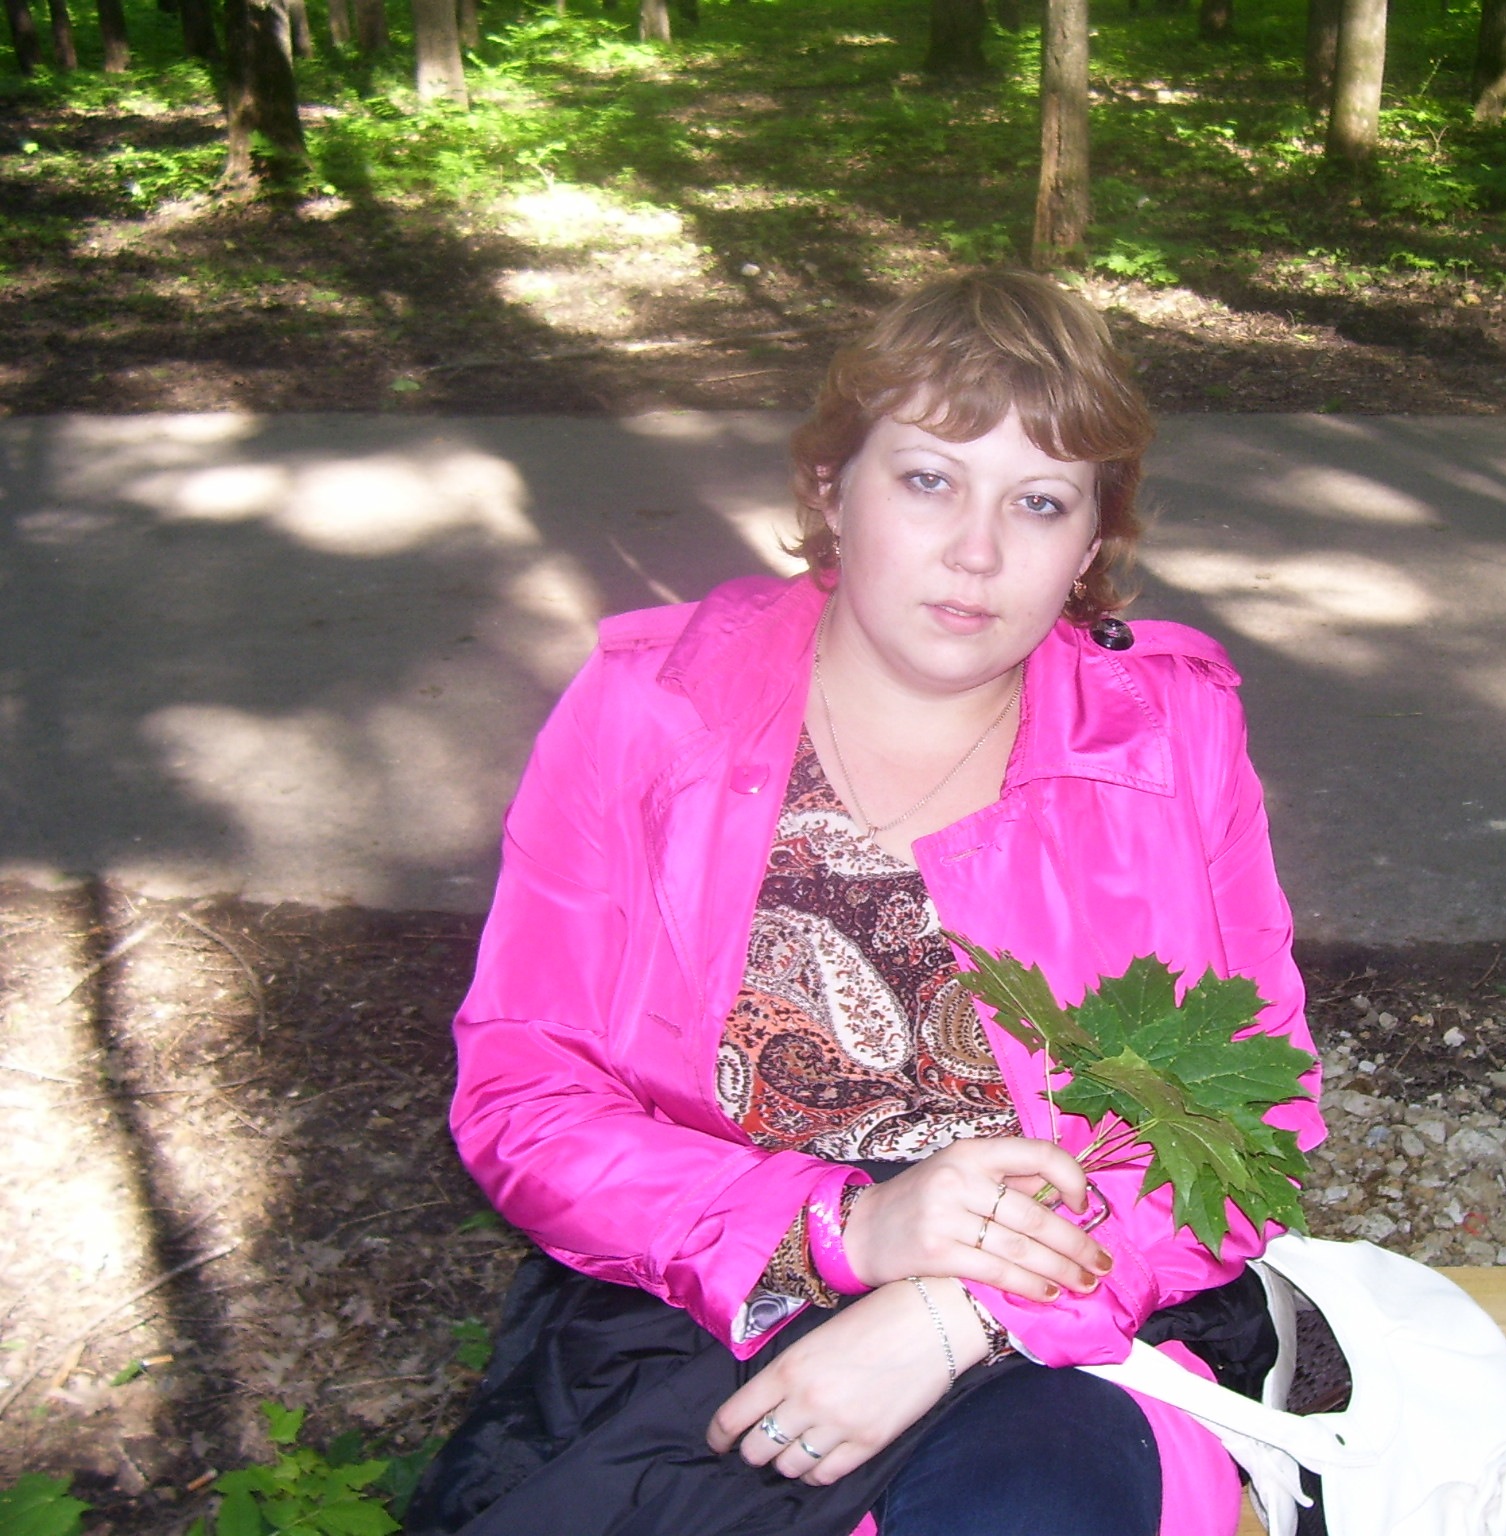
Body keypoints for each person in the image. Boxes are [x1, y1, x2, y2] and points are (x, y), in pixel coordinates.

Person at [406, 270, 1324, 1536]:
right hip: (699, 1292)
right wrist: (845, 1231)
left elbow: (1248, 1108)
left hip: (1060, 1315)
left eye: (1039, 501)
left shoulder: (1162, 734)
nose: (977, 552)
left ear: (1090, 543)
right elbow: (527, 1095)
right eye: (929, 479)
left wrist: (960, 1313)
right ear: (830, 490)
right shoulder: (649, 712)